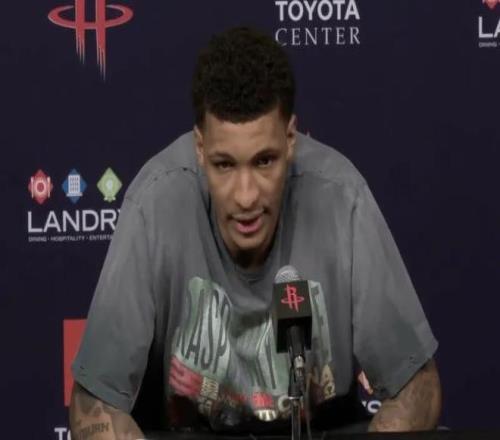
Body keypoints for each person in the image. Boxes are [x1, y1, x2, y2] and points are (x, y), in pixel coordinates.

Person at [69, 27, 441, 439]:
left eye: (264, 162)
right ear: (199, 149)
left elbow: (416, 386)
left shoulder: (341, 198)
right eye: (224, 165)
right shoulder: (155, 203)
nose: (246, 197)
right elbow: (94, 405)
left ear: (291, 139)